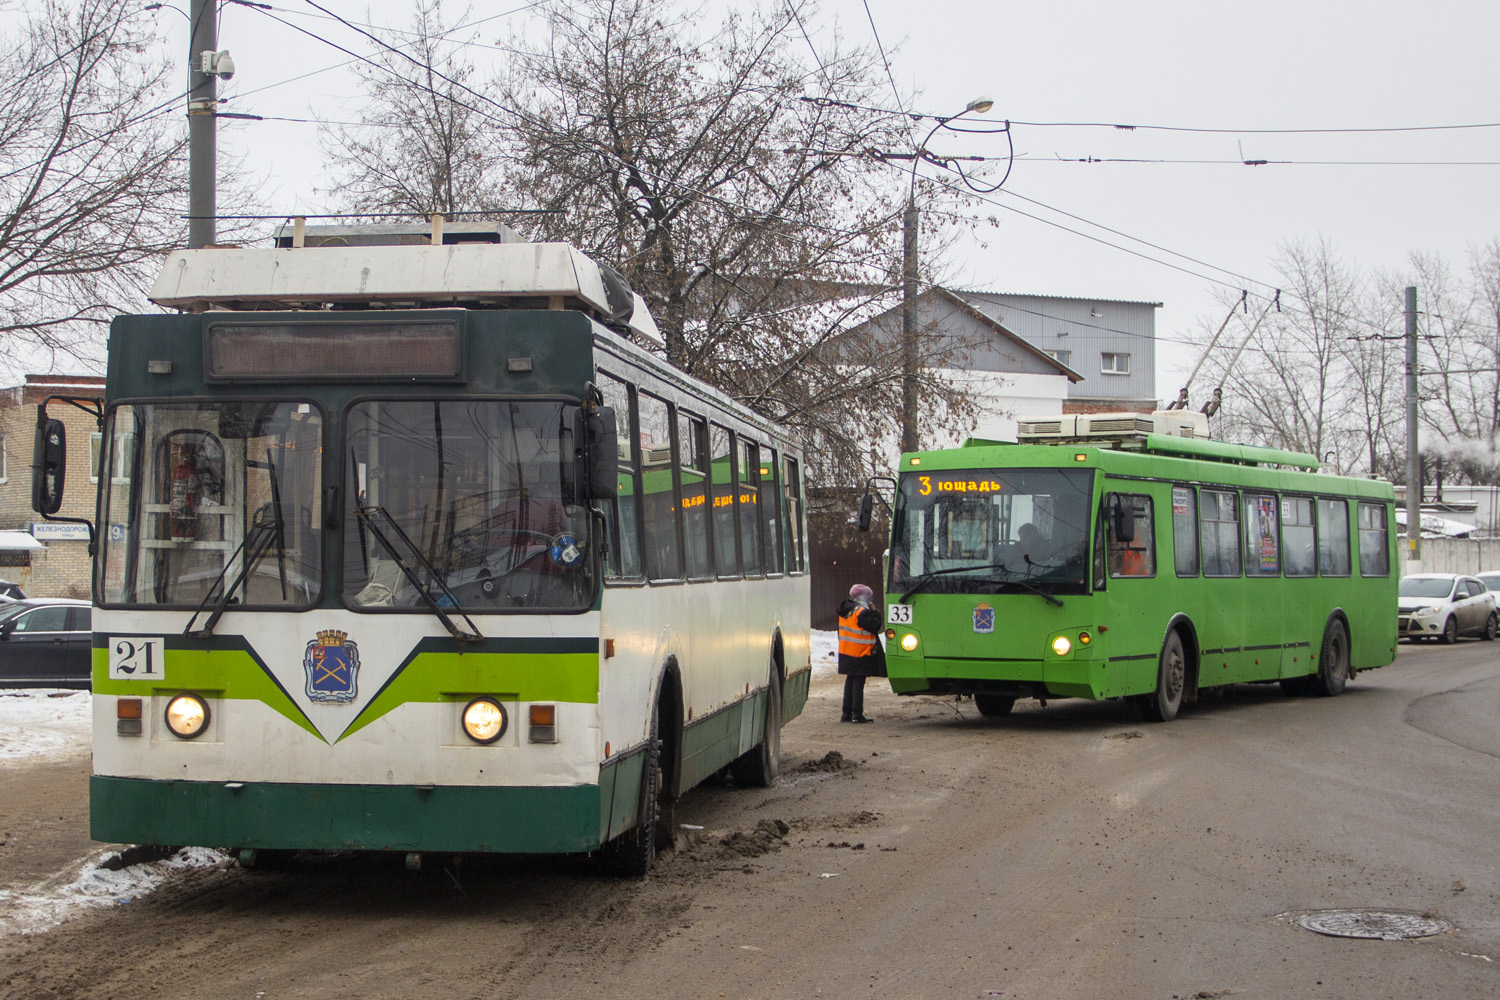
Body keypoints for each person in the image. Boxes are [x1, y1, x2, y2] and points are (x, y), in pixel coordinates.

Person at [836, 583, 886, 723]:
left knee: (850, 681)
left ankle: (846, 714)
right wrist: (875, 612)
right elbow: (875, 625)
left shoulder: (846, 609)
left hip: (847, 651)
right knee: (858, 683)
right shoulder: (861, 611)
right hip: (860, 652)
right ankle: (857, 714)